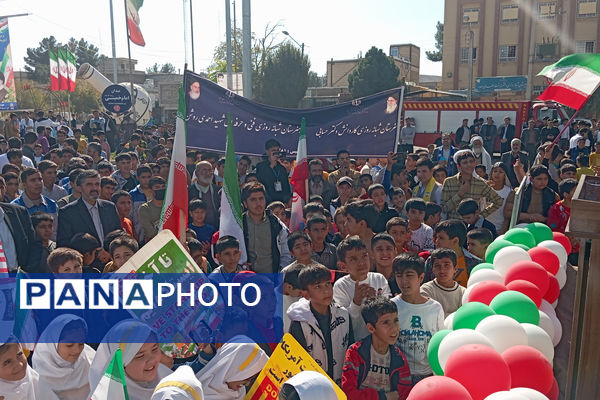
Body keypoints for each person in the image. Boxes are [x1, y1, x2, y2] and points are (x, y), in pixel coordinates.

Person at [288, 264, 352, 384]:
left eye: (328, 283)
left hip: (341, 384)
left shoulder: (343, 315)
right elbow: (297, 361)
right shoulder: (300, 323)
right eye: (318, 286)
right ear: (306, 294)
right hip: (313, 387)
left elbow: (350, 348)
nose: (326, 290)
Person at [341, 296, 412, 399]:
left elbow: (405, 394)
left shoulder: (399, 358)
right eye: (386, 323)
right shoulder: (355, 352)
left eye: (396, 320)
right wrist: (384, 397)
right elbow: (349, 393)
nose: (394, 328)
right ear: (371, 328)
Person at [88, 320, 172, 400]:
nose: (151, 360)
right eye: (140, 356)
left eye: (154, 349)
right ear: (120, 364)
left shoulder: (170, 379)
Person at [391, 254, 444, 382]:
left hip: (428, 374)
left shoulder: (435, 308)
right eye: (399, 275)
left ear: (421, 277)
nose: (404, 281)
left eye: (409, 275)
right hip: (399, 374)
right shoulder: (392, 306)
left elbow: (439, 342)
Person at [333, 236, 391, 341]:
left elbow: (388, 313)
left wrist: (375, 301)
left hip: (380, 340)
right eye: (353, 259)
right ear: (343, 266)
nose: (361, 263)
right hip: (355, 343)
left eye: (364, 256)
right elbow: (343, 322)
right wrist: (356, 302)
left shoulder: (379, 279)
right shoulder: (340, 286)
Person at [32, 315, 96, 400]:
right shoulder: (41, 371)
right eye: (69, 345)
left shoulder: (90, 359)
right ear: (53, 344)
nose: (77, 350)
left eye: (81, 343)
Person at [57, 170, 122, 247]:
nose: (94, 188)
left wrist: (108, 252)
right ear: (80, 187)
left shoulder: (110, 207)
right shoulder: (68, 212)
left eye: (97, 184)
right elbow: (64, 243)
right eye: (89, 184)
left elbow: (118, 234)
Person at [242, 181, 292, 273]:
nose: (258, 203)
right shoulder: (240, 224)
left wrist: (280, 274)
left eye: (261, 198)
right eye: (253, 200)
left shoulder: (276, 224)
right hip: (247, 280)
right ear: (245, 203)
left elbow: (286, 253)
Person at [195, 337, 268, 400]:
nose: (247, 384)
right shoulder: (195, 394)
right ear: (231, 369)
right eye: (246, 378)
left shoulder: (239, 393)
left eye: (251, 379)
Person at [441, 149, 503, 220]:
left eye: (471, 161)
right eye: (465, 163)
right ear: (459, 166)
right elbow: (444, 208)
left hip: (472, 227)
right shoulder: (449, 182)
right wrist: (460, 194)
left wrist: (480, 216)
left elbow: (498, 201)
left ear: (475, 163)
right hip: (454, 225)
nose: (469, 165)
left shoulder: (480, 183)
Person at [0, 176, 41, 272]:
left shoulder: (18, 212)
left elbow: (34, 243)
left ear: (5, 189)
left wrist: (27, 271)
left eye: (0, 187)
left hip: (18, 276)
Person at [425, 219, 480, 286]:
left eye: (441, 238)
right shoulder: (431, 261)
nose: (436, 241)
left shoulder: (475, 263)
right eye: (436, 237)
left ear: (455, 241)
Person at [419, 249, 466, 317]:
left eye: (446, 265)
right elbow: (429, 316)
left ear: (455, 268)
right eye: (437, 266)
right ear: (432, 269)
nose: (442, 270)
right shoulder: (426, 290)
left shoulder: (463, 292)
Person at [547, 178, 580, 263]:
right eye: (575, 191)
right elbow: (553, 230)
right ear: (565, 194)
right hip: (563, 249)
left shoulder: (582, 208)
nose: (579, 194)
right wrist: (568, 241)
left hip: (581, 248)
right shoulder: (556, 209)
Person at [255, 139, 292, 204]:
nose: (276, 153)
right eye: (273, 151)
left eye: (277, 150)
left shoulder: (282, 168)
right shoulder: (260, 166)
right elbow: (262, 183)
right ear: (267, 152)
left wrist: (287, 200)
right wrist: (271, 165)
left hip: (281, 202)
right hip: (267, 201)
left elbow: (286, 188)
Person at [188, 161, 221, 228]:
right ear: (197, 173)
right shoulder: (189, 191)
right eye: (204, 170)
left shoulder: (219, 191)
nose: (208, 173)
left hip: (216, 230)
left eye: (210, 170)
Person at [129, 164, 153, 242]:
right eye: (143, 177)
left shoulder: (157, 192)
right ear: (137, 178)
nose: (146, 180)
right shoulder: (132, 194)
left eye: (149, 177)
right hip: (139, 234)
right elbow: (130, 217)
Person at [139, 176, 166, 241]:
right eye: (157, 187)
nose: (161, 189)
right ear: (150, 190)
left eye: (163, 187)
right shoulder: (145, 208)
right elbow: (150, 233)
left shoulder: (170, 206)